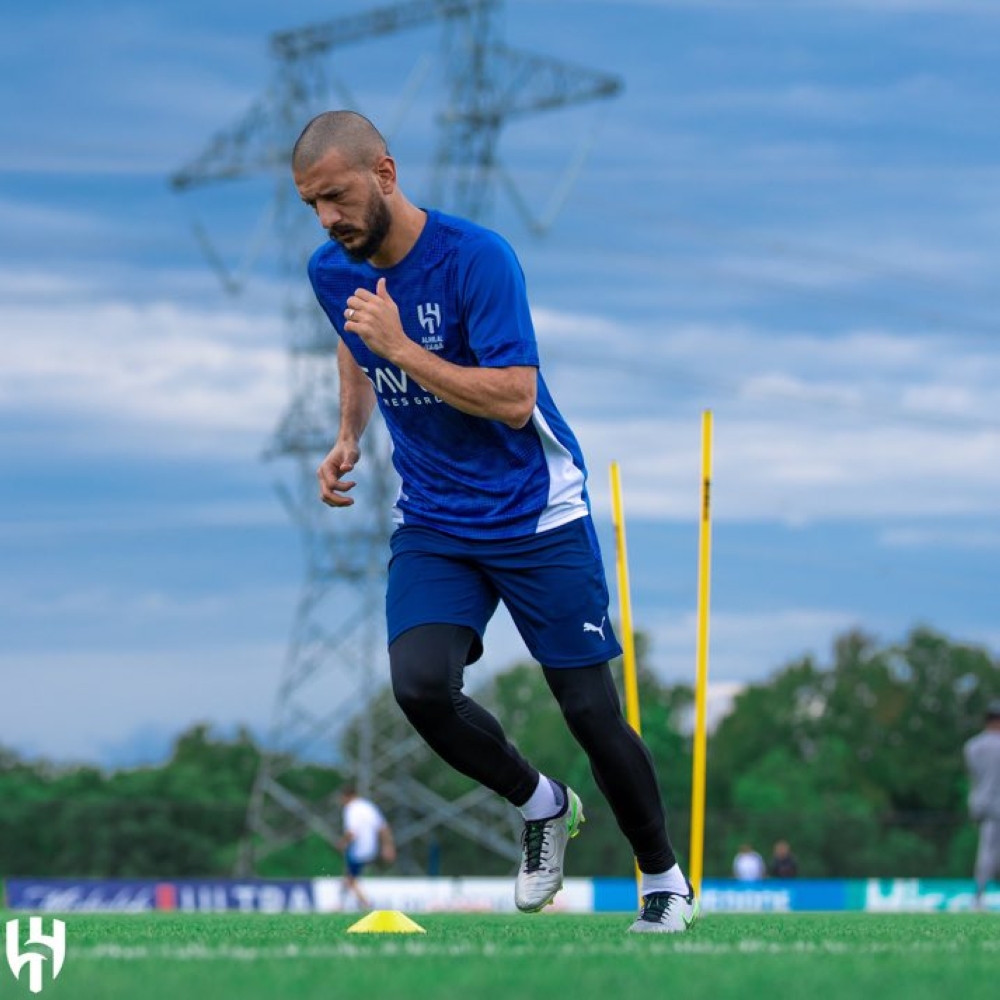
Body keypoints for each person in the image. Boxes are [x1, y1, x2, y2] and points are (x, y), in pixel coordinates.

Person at [291, 109, 698, 934]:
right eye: (312, 206)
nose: (328, 219)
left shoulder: (477, 258)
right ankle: (542, 805)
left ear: (386, 174)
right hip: (436, 520)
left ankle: (662, 877)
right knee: (419, 688)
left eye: (336, 196)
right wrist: (346, 433)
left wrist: (403, 350)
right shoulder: (333, 267)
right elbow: (354, 338)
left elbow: (514, 398)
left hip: (537, 513)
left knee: (589, 711)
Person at [963, 699, 1000, 910]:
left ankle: (979, 895)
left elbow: (974, 777)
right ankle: (978, 896)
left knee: (987, 849)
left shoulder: (972, 746)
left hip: (981, 803)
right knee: (989, 852)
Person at [336, 784, 396, 910]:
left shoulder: (351, 809)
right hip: (371, 848)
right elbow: (383, 827)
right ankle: (340, 904)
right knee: (349, 876)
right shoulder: (368, 806)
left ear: (347, 796)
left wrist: (342, 843)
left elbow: (352, 832)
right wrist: (388, 846)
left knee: (351, 878)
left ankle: (366, 903)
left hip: (358, 849)